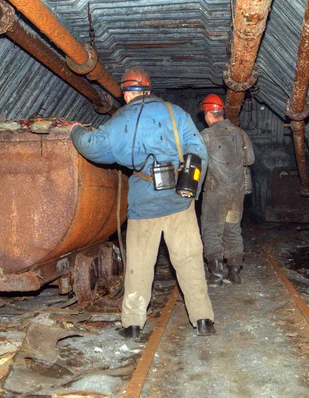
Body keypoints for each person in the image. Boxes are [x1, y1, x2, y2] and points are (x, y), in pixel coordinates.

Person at [70, 66, 215, 339]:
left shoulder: (120, 120)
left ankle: (133, 325)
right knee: (189, 262)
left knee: (139, 264)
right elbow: (198, 152)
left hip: (143, 205)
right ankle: (204, 319)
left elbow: (92, 146)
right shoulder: (176, 114)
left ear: (126, 94)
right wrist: (191, 192)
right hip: (179, 202)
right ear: (149, 90)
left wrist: (75, 132)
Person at [198, 94, 255, 286]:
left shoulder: (206, 135)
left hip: (215, 194)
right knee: (232, 230)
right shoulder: (240, 133)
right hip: (236, 195)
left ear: (208, 114)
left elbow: (197, 163)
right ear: (221, 112)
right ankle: (235, 273)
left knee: (212, 230)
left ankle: (216, 275)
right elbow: (250, 160)